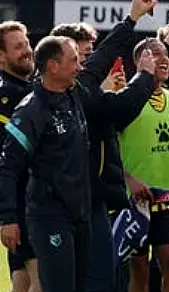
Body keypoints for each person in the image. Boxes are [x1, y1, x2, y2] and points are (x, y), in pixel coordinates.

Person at [1, 37, 147, 292]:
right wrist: (8, 218)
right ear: (53, 67)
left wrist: (131, 21)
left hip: (81, 213)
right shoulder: (30, 111)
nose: (79, 67)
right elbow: (8, 168)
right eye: (73, 61)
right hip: (50, 216)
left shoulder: (75, 96)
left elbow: (100, 61)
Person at [119, 38, 169, 292]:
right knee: (139, 268)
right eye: (155, 54)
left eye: (165, 54)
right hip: (134, 197)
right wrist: (128, 178)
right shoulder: (125, 98)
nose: (164, 58)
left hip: (165, 193)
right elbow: (109, 148)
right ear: (140, 62)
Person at [0, 21, 37, 292]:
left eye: (26, 44)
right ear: (1, 56)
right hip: (23, 201)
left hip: (27, 199)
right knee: (44, 282)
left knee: (22, 281)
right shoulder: (6, 94)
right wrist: (8, 216)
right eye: (18, 47)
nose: (27, 51)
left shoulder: (27, 88)